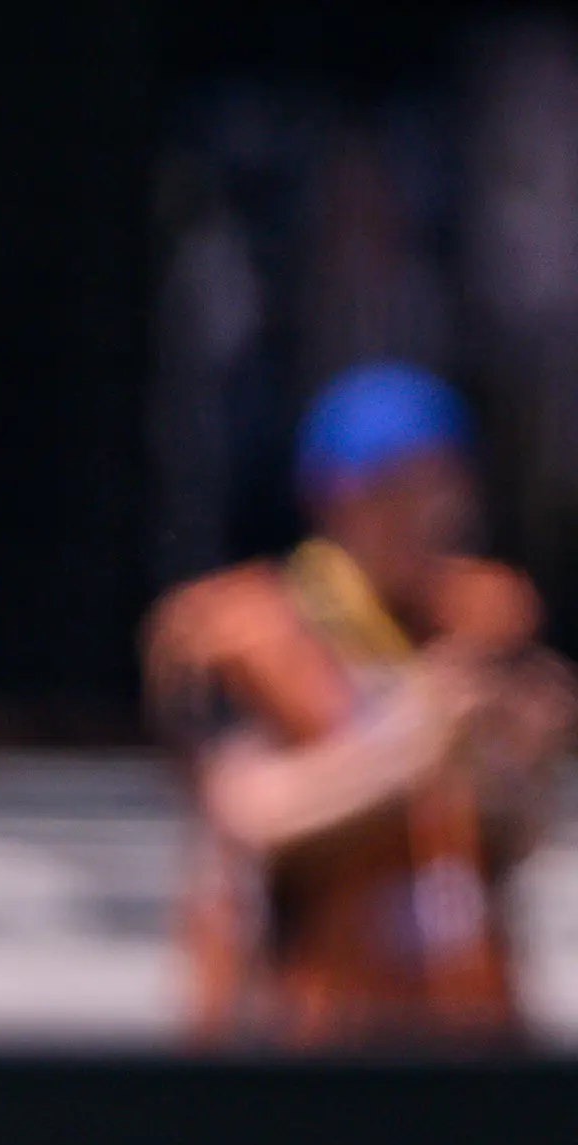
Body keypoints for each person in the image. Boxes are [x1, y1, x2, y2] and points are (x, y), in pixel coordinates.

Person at [145, 362, 576, 1044]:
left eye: (442, 484)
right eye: (395, 490)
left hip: (463, 1037)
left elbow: (513, 833)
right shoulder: (244, 633)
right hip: (308, 1037)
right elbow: (251, 813)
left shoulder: (481, 625)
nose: (427, 513)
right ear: (334, 500)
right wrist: (417, 747)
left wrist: (519, 753)